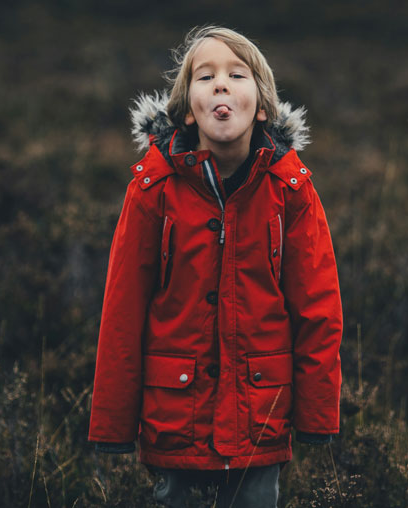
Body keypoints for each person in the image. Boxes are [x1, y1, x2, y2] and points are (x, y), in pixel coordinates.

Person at [88, 25, 343, 507]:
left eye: (236, 74)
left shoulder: (291, 191)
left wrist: (316, 415)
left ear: (262, 106)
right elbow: (122, 312)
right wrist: (113, 425)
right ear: (187, 110)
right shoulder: (152, 191)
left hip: (260, 419)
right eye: (205, 77)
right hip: (173, 419)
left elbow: (318, 309)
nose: (221, 84)